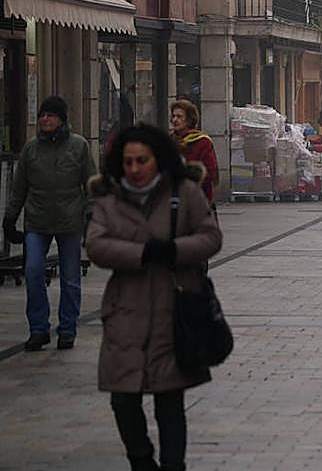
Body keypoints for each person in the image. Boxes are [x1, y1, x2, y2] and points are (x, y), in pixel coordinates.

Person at [86, 123, 223, 471]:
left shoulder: (184, 192)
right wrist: (141, 254)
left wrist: (174, 250)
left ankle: (173, 467)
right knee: (123, 401)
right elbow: (96, 245)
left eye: (142, 161)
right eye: (128, 162)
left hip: (172, 311)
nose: (134, 169)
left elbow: (211, 237)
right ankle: (141, 461)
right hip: (125, 314)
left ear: (158, 160)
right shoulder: (110, 198)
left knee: (169, 402)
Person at [3, 96, 95, 352]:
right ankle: (38, 329)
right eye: (42, 114)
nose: (44, 119)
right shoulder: (31, 149)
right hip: (37, 221)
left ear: (61, 119)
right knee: (33, 272)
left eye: (50, 115)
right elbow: (19, 188)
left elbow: (91, 184)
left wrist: (92, 216)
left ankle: (67, 329)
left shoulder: (79, 146)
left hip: (69, 222)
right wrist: (9, 218)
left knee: (70, 278)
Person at [169, 99, 219, 204]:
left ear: (189, 119)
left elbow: (210, 172)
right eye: (173, 116)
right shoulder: (169, 141)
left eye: (179, 116)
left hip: (198, 199)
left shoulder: (203, 141)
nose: (175, 120)